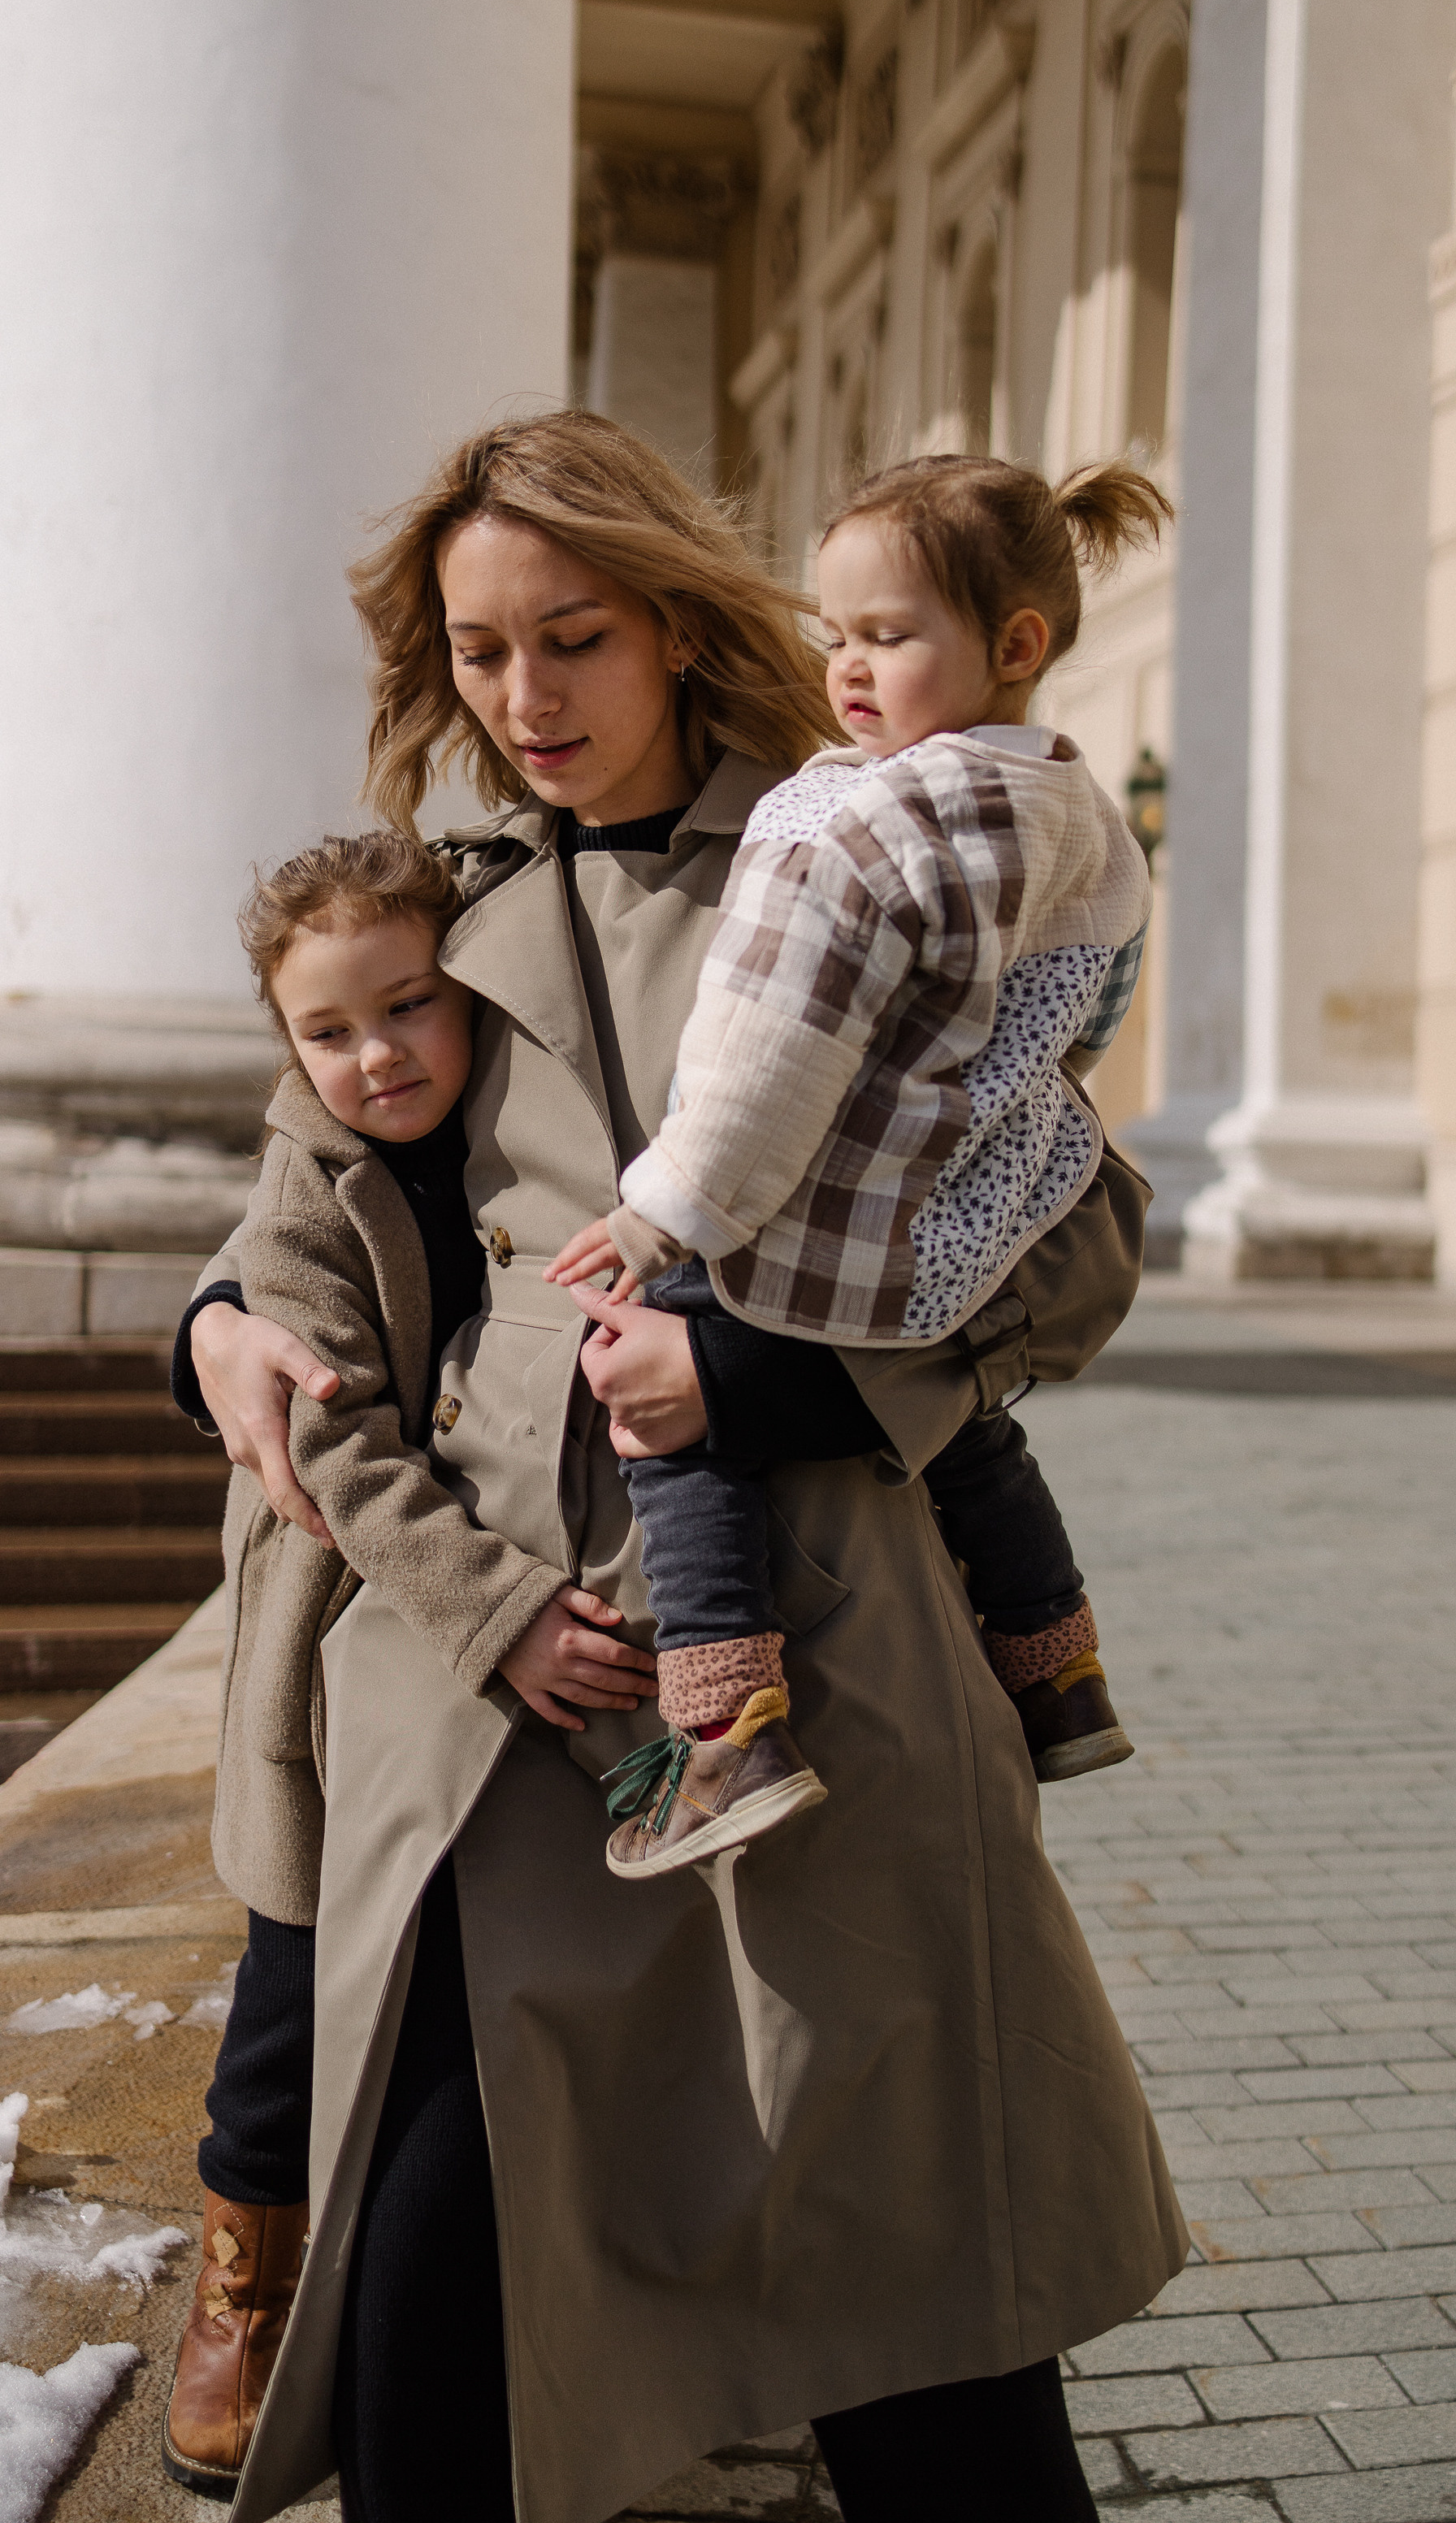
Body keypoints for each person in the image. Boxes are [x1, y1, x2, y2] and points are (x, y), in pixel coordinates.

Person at [179, 412, 1184, 2523]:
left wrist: (792, 1397)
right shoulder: (434, 930)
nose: (526, 702)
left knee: (916, 2293)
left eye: (574, 638)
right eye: (477, 655)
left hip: (828, 1660)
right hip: (505, 1703)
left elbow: (1081, 1238)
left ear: (669, 622)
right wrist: (216, 1331)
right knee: (441, 2279)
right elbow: (296, 1230)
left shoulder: (873, 852)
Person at [549, 453, 1164, 1881]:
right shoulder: (1077, 812)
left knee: (674, 1425)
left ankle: (727, 1727)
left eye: (886, 636)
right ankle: (1059, 1670)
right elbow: (1100, 1005)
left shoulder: (861, 826)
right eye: (835, 635)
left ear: (1015, 644)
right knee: (972, 1440)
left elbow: (771, 1061)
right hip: (962, 1220)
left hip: (817, 1221)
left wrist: (662, 1214)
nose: (847, 671)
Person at [166, 830, 585, 2492]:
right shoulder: (302, 1187)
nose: (376, 1057)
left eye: (411, 1007)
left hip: (492, 1617)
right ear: (288, 1045)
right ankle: (243, 2281)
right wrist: (497, 1614)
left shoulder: (525, 1129)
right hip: (340, 1640)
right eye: (329, 1032)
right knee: (288, 1982)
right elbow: (338, 1462)